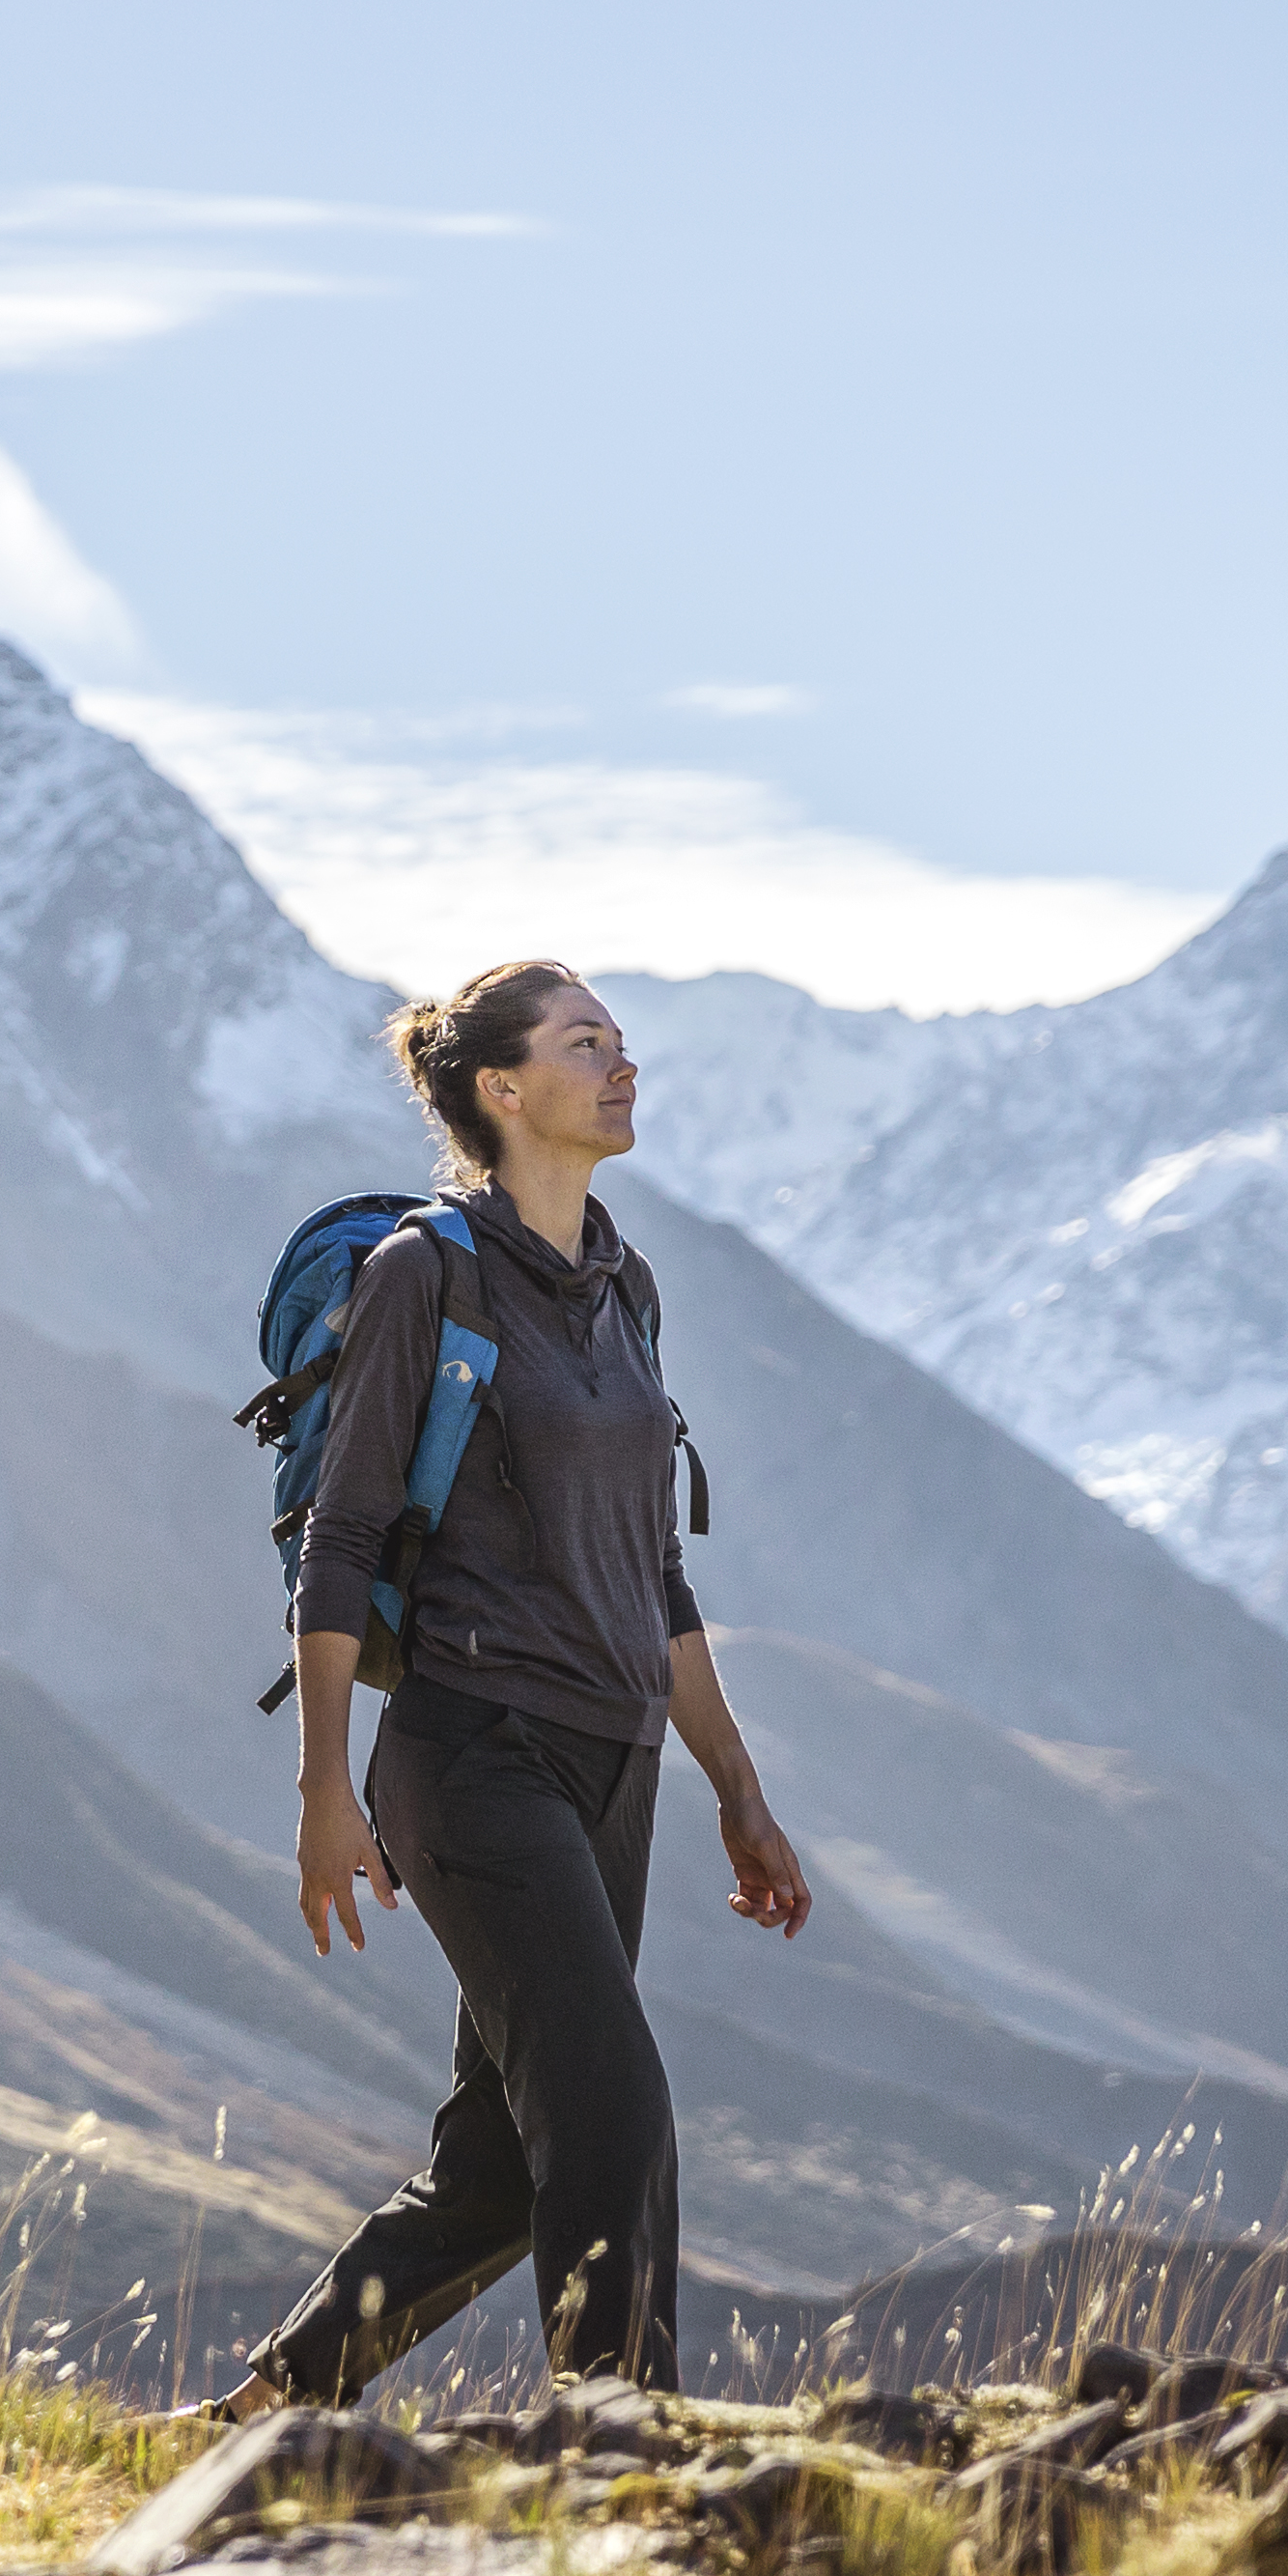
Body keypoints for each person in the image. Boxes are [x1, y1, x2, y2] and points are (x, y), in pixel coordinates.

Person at [186, 960, 810, 2420]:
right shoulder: (429, 1271)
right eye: (586, 1043)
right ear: (502, 1090)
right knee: (611, 2105)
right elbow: (340, 1541)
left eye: (622, 1041)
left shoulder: (622, 1285)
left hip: (614, 1762)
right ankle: (617, 2443)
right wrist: (324, 1792)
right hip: (471, 1757)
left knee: (496, 2159)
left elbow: (657, 1577)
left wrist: (739, 1789)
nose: (622, 1064)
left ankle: (269, 2413)